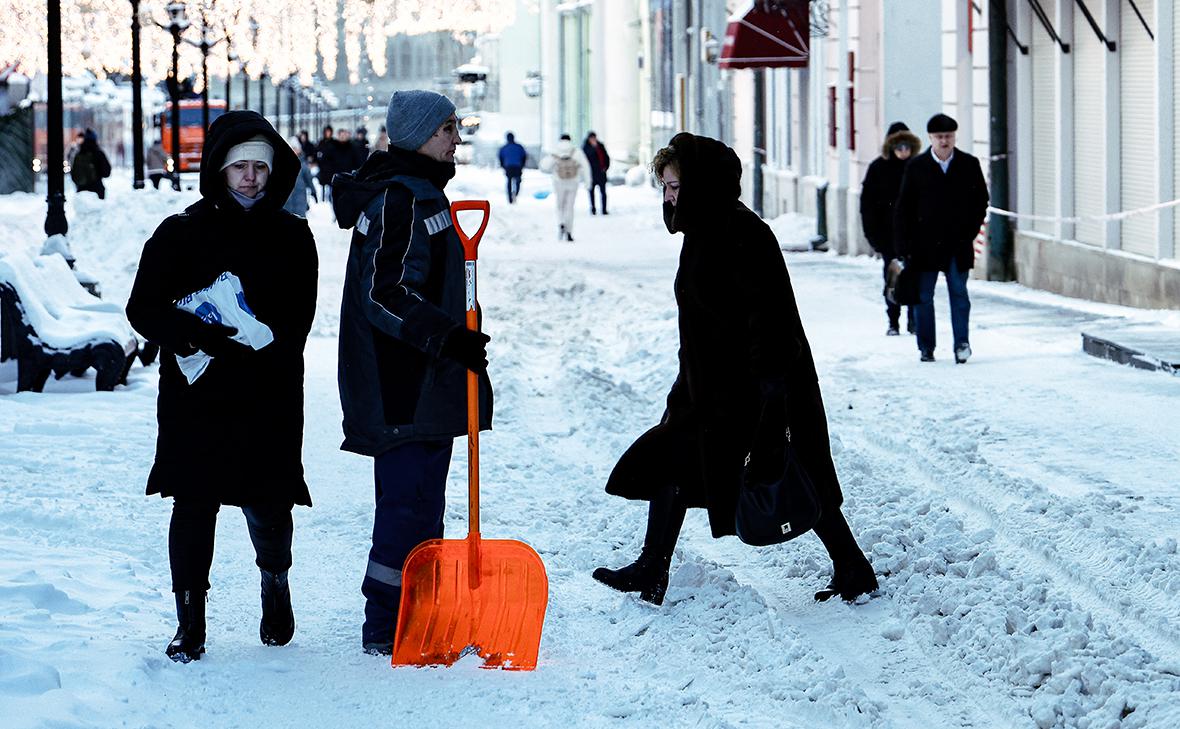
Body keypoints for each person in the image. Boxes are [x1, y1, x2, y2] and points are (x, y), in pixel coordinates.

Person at [592, 133, 878, 607]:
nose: (668, 198)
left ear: (700, 183)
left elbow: (768, 315)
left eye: (674, 186)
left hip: (754, 386)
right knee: (674, 461)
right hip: (709, 386)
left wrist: (771, 393)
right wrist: (686, 383)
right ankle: (651, 568)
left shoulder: (741, 232)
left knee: (794, 469)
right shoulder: (703, 230)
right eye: (663, 188)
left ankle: (852, 565)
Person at [125, 110, 319, 663]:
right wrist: (192, 335)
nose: (251, 177)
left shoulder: (292, 236)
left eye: (260, 166)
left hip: (268, 392)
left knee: (268, 503)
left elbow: (297, 320)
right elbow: (143, 308)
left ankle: (275, 585)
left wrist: (253, 347)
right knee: (194, 504)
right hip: (197, 395)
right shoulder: (179, 233)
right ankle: (190, 623)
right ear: (219, 170)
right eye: (240, 167)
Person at [330, 90, 492, 656]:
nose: (456, 138)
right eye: (448, 128)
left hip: (427, 381)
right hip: (401, 385)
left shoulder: (426, 195)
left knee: (423, 503)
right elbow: (384, 293)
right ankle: (385, 626)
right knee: (403, 506)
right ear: (421, 135)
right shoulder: (399, 199)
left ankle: (417, 612)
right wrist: (447, 337)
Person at [893, 113, 989, 363]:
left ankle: (961, 343)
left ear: (954, 137)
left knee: (959, 294)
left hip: (957, 243)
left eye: (948, 136)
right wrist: (904, 245)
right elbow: (904, 208)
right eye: (939, 137)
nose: (944, 141)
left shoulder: (968, 164)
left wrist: (969, 231)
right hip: (924, 246)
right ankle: (926, 346)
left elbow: (981, 200)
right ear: (930, 138)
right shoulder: (917, 167)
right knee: (924, 297)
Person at [859, 121, 920, 336]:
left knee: (915, 278)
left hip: (914, 236)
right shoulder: (878, 168)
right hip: (888, 237)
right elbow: (867, 205)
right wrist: (874, 237)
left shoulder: (918, 167)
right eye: (899, 147)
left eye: (907, 147)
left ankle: (914, 319)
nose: (903, 152)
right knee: (892, 278)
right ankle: (893, 320)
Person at [539, 133, 590, 241]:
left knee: (560, 206)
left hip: (559, 182)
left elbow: (544, 166)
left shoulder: (555, 151)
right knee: (569, 207)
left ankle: (561, 222)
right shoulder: (576, 151)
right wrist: (588, 182)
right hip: (573, 182)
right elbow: (586, 166)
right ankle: (569, 231)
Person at [70, 128, 112, 199]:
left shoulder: (78, 154)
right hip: (96, 191)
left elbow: (73, 173)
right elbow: (106, 173)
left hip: (81, 192)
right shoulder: (99, 153)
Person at [283, 135, 318, 216]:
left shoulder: (303, 164)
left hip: (300, 198)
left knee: (299, 221)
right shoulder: (282, 165)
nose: (293, 151)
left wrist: (313, 191)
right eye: (291, 148)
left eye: (295, 148)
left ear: (299, 150)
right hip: (286, 200)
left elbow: (309, 179)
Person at [582, 131, 610, 214]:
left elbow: (606, 157)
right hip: (591, 174)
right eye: (591, 138)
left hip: (601, 173)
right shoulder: (585, 148)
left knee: (603, 192)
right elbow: (585, 159)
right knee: (591, 192)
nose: (593, 139)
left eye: (594, 138)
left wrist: (606, 167)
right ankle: (593, 208)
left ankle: (604, 209)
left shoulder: (600, 146)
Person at [498, 131, 527, 204]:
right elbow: (524, 156)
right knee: (518, 180)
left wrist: (503, 166)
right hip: (517, 166)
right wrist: (522, 165)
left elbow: (500, 157)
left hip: (508, 166)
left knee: (509, 181)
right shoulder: (519, 147)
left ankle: (510, 197)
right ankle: (516, 193)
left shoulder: (504, 148)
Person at [315, 125, 335, 202]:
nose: (327, 133)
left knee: (331, 184)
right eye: (326, 132)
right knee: (323, 184)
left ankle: (330, 198)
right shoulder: (321, 142)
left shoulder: (333, 142)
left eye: (329, 131)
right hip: (323, 166)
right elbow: (317, 152)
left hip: (331, 167)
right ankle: (323, 199)